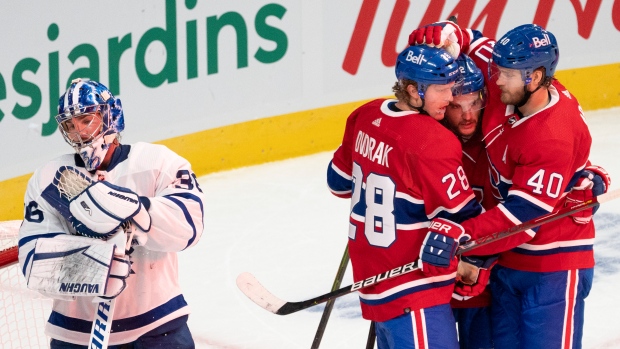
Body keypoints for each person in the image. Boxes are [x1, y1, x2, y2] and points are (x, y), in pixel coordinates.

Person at [411, 23, 611, 348]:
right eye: (497, 70)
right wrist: (449, 35)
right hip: (508, 262)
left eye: (505, 73)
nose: (496, 79)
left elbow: (521, 218)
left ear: (533, 78)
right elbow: (470, 39)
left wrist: (462, 236)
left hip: (551, 268)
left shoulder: (552, 135)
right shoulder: (511, 76)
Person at [18, 78, 205, 348]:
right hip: (75, 336)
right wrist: (89, 267)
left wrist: (139, 212)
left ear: (111, 116)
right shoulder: (50, 179)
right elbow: (32, 258)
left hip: (158, 328)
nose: (78, 132)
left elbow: (190, 225)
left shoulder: (156, 162)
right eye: (70, 125)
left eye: (86, 120)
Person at [326, 45, 482, 349]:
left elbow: (338, 183)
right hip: (414, 292)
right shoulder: (433, 141)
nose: (450, 98)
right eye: (441, 90)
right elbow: (467, 220)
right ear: (413, 90)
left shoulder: (365, 114)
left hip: (374, 285)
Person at [444, 53, 495, 349]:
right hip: (437, 279)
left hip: (485, 278)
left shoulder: (497, 137)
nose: (467, 115)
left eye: (474, 102)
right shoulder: (428, 143)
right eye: (456, 106)